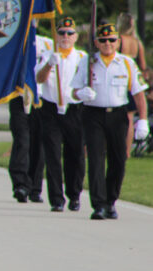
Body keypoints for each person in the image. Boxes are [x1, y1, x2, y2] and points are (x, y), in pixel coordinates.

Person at [71, 23, 148, 220]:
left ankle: (111, 200)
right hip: (93, 114)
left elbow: (139, 94)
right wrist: (81, 93)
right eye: (103, 40)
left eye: (111, 40)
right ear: (96, 42)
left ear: (118, 42)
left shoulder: (127, 63)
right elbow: (73, 90)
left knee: (118, 159)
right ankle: (98, 204)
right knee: (96, 159)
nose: (107, 44)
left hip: (117, 115)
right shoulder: (88, 62)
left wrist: (143, 120)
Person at [35, 17, 86, 212]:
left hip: (74, 110)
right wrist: (49, 64)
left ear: (76, 37)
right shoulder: (47, 55)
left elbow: (87, 83)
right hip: (51, 109)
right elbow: (39, 79)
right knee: (53, 155)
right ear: (55, 35)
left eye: (69, 33)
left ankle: (74, 195)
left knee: (75, 154)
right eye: (62, 33)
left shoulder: (82, 58)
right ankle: (57, 199)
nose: (65, 36)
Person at [8, 30, 50, 204]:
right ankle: (20, 184)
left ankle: (34, 186)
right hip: (19, 97)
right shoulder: (13, 42)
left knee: (38, 144)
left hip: (41, 99)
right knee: (22, 140)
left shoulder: (48, 44)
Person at [117, 13, 147, 157]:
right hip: (133, 79)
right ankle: (127, 151)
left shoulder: (119, 40)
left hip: (121, 79)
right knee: (129, 118)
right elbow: (142, 65)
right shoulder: (137, 42)